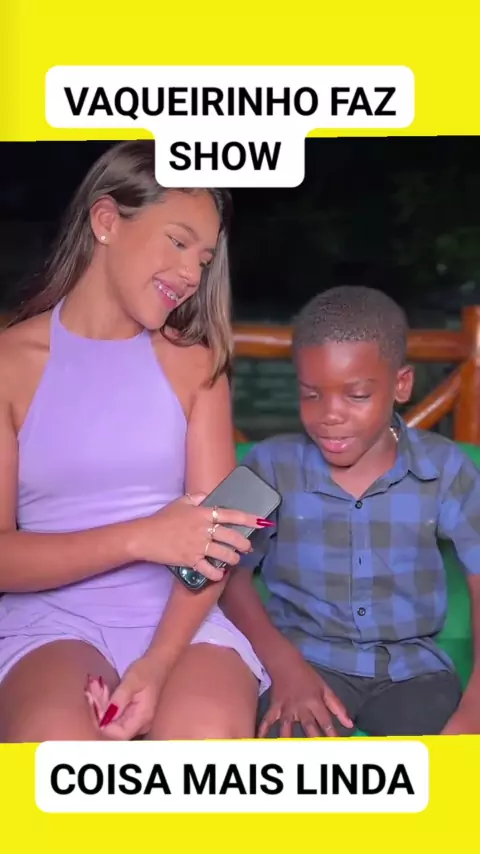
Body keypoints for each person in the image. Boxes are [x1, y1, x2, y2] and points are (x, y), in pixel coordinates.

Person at [0, 139, 272, 743]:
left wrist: (156, 665)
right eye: (177, 242)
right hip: (50, 621)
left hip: (183, 621)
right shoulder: (9, 365)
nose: (191, 274)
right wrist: (139, 537)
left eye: (204, 258)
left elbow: (219, 541)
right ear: (106, 221)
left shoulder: (197, 365)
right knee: (56, 748)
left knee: (206, 743)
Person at [221, 285, 480, 737]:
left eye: (356, 395)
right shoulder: (266, 464)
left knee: (447, 771)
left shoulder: (447, 467)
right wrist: (283, 665)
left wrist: (475, 707)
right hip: (304, 661)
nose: (330, 415)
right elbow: (224, 575)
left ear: (401, 385)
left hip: (412, 671)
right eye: (311, 395)